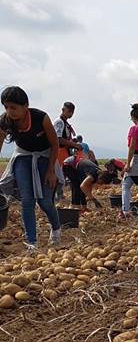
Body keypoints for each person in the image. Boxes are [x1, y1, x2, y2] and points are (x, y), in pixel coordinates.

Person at [0, 86, 63, 250]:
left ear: (25, 105)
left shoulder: (40, 117)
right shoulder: (5, 121)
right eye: (6, 107)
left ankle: (56, 228)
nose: (9, 111)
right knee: (27, 200)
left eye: (13, 107)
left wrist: (51, 171)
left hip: (45, 156)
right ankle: (32, 242)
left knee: (45, 202)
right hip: (22, 156)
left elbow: (55, 144)